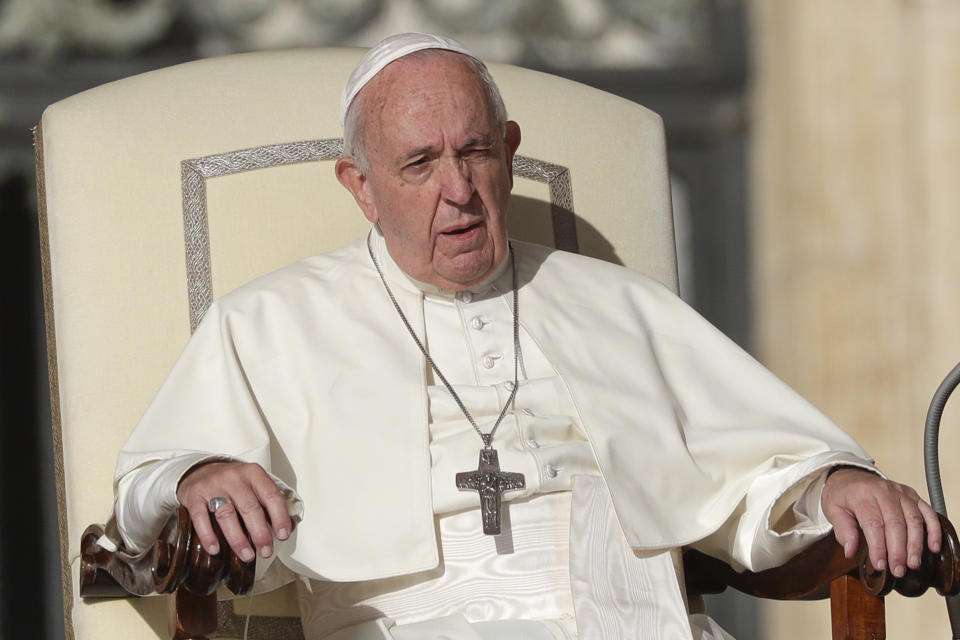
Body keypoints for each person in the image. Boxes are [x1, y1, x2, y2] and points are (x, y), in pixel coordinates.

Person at [111, 33, 940, 640]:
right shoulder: (268, 322)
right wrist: (199, 472)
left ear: (509, 154)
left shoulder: (619, 306)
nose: (459, 191)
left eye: (475, 152)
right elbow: (143, 493)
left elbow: (755, 475)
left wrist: (831, 482)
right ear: (360, 188)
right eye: (419, 165)